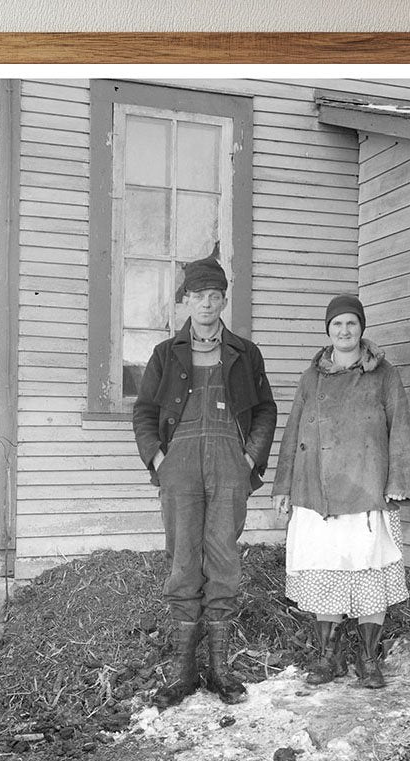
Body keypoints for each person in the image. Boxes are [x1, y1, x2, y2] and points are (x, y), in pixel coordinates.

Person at [133, 256, 277, 708]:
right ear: (187, 300)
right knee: (182, 561)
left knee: (224, 558)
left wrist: (250, 456)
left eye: (215, 296)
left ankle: (218, 668)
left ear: (223, 300)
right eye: (199, 296)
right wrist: (158, 457)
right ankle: (183, 672)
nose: (207, 304)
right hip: (179, 466)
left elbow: (266, 409)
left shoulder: (244, 352)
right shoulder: (165, 353)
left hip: (229, 465)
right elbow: (144, 411)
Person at [272, 294, 410, 689]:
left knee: (369, 573)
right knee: (327, 572)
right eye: (337, 325)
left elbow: (401, 429)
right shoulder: (312, 376)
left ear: (361, 328)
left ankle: (369, 660)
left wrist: (399, 482)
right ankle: (328, 657)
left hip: (367, 491)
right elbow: (292, 432)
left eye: (351, 323)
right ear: (328, 331)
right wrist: (283, 485)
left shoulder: (384, 374)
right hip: (317, 493)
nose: (344, 331)